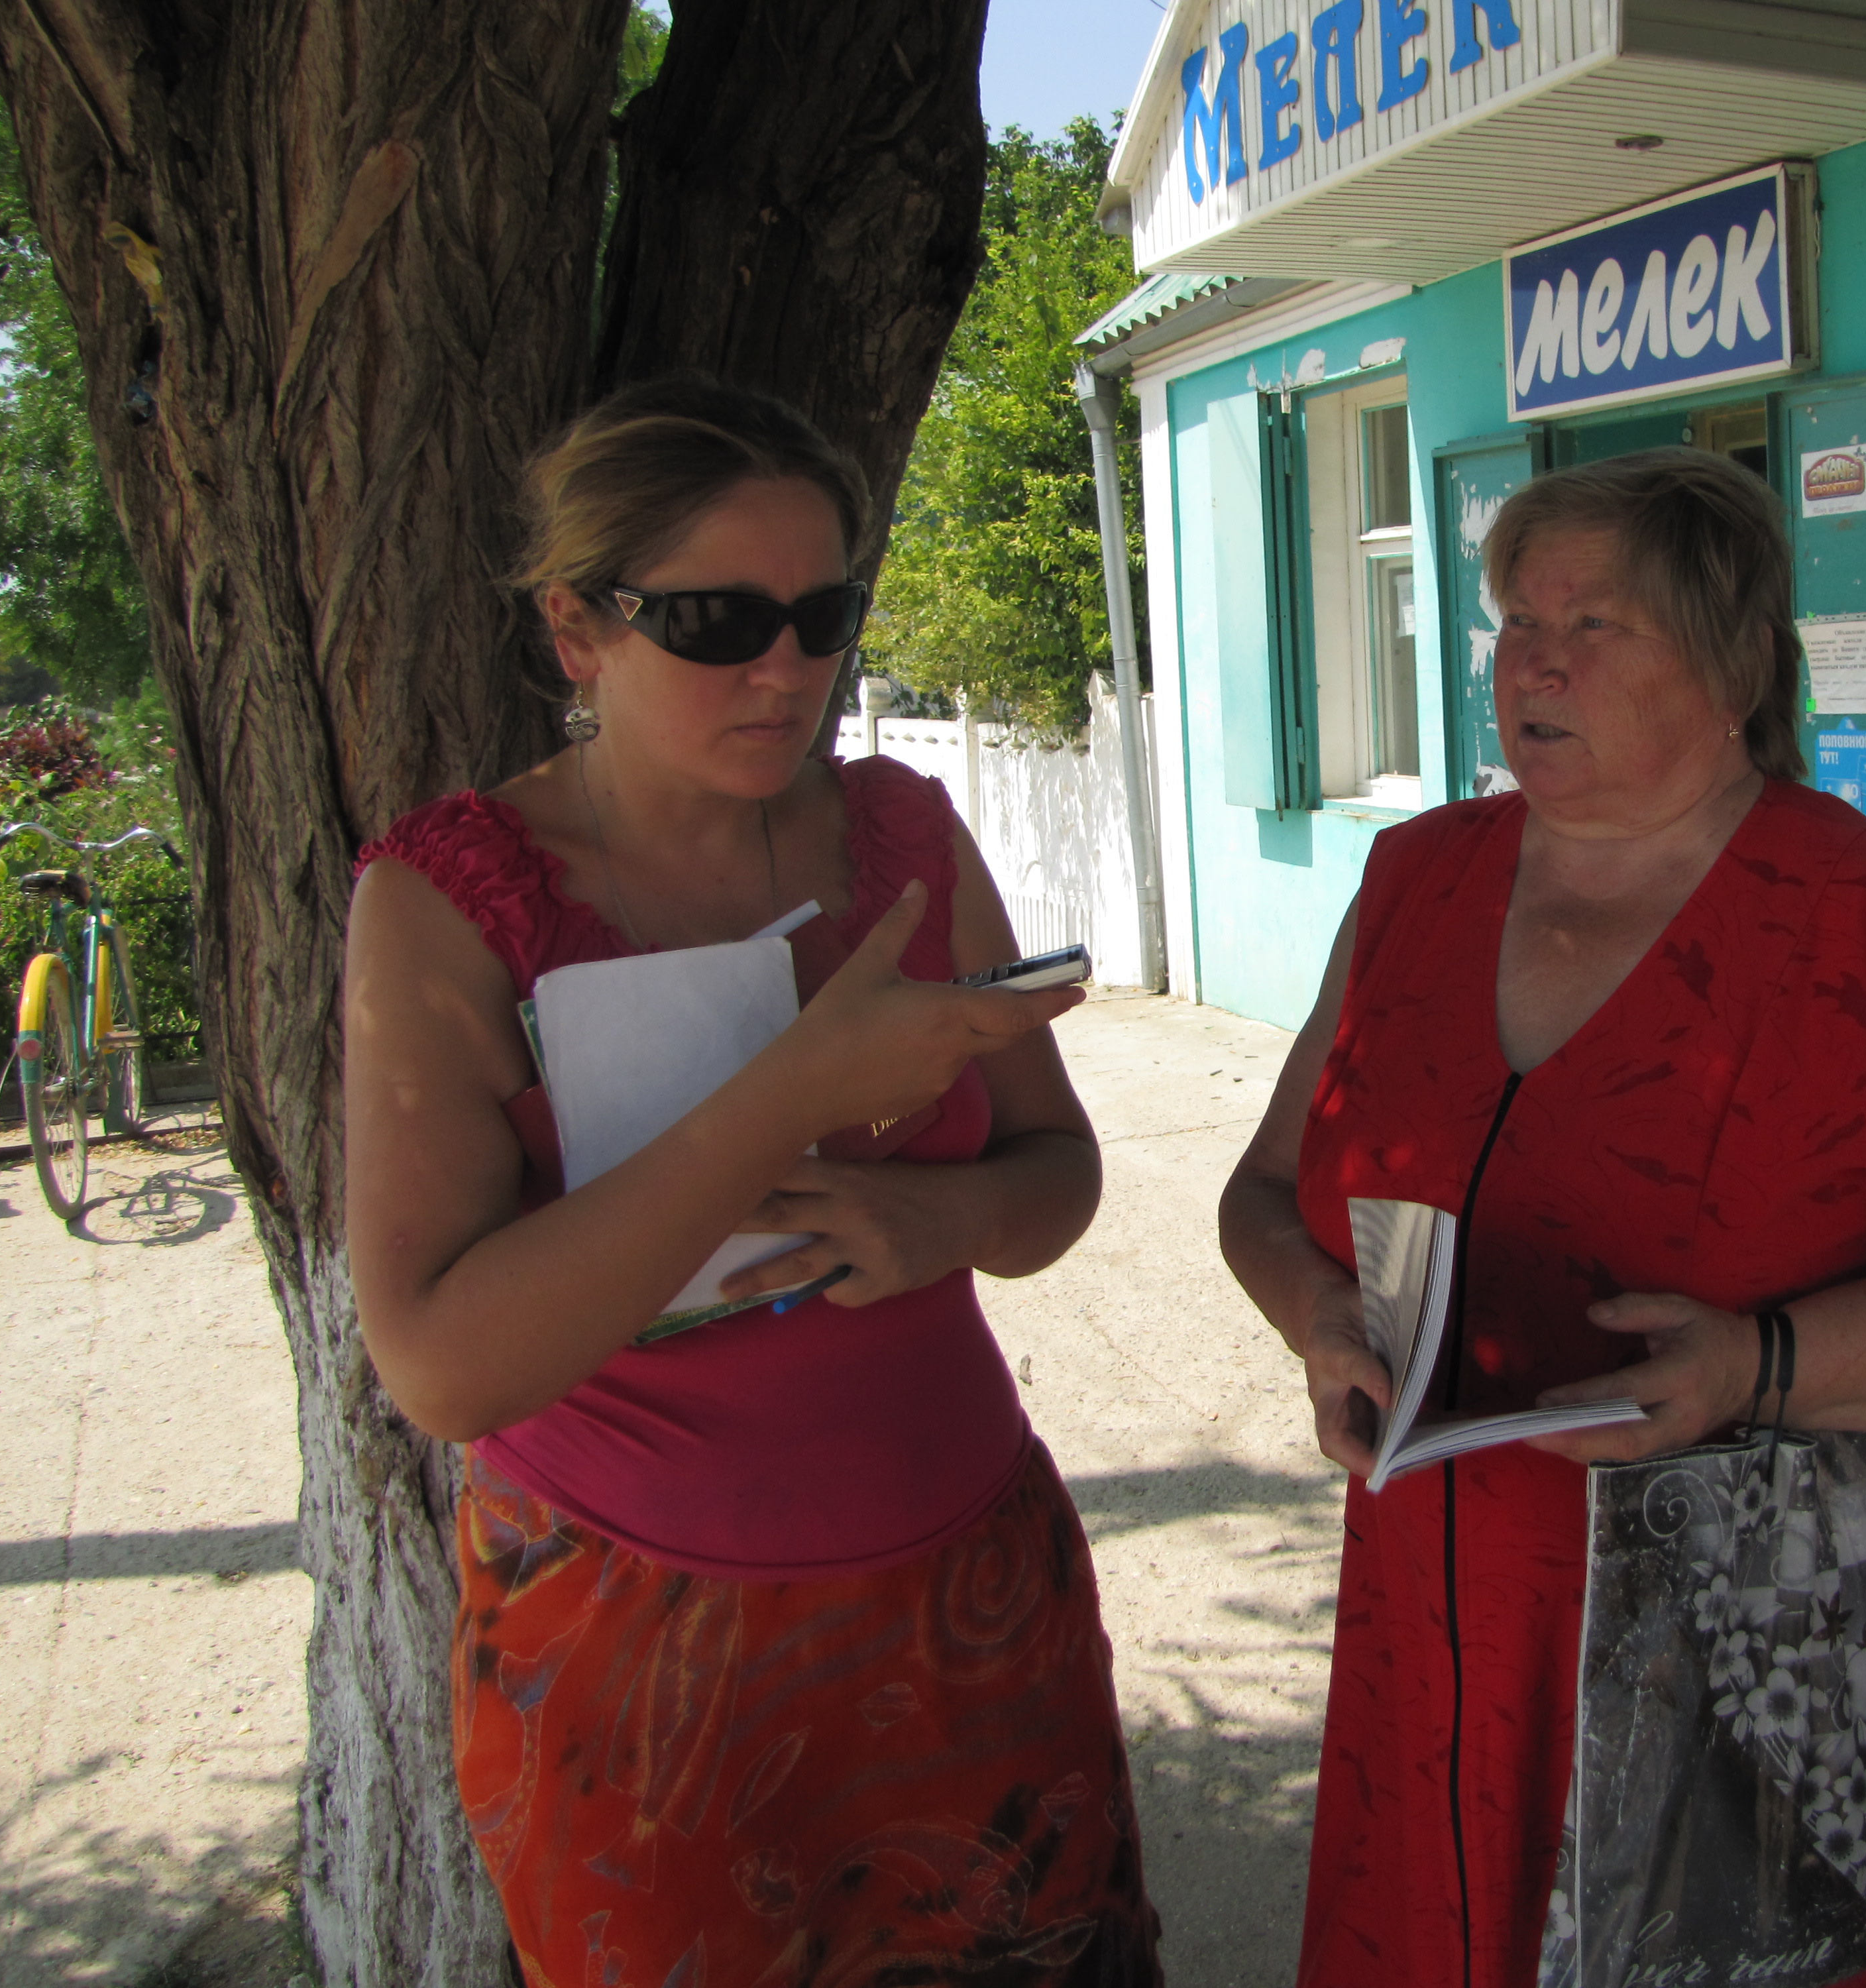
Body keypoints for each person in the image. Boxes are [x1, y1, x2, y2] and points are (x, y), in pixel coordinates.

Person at [1219, 447, 1866, 1988]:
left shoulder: (1853, 923)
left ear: (1733, 665)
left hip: (1714, 1657)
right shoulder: (1414, 881)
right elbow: (1258, 1194)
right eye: (1514, 622)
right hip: (1429, 1636)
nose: (1536, 664)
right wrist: (1310, 1313)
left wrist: (1753, 1364)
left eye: (1597, 624)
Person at [344, 376, 1163, 1986]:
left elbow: (1055, 1171)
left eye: (822, 613)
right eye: (717, 621)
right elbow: (440, 1365)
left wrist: (954, 1220)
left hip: (966, 1599)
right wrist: (793, 1091)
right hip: (643, 1645)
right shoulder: (450, 903)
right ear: (579, 629)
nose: (785, 670)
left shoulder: (902, 833)